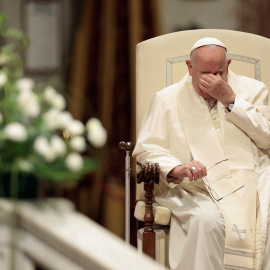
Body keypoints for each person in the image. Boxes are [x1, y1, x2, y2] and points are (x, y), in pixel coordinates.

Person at [133, 37, 270, 270]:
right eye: (205, 73)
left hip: (251, 185)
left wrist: (230, 100)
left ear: (228, 66)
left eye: (219, 73)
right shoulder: (166, 99)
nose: (213, 81)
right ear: (189, 67)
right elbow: (148, 150)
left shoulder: (253, 91)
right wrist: (178, 168)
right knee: (207, 220)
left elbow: (266, 137)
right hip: (194, 190)